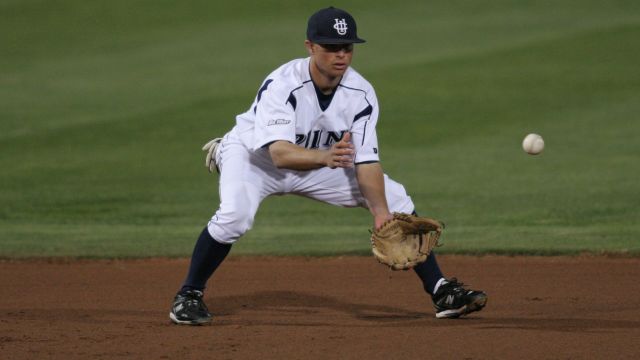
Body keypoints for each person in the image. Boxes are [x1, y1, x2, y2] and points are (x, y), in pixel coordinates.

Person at [169, 7, 487, 325]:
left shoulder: (361, 93)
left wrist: (380, 213)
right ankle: (188, 295)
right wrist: (324, 158)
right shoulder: (282, 84)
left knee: (395, 200)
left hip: (321, 160)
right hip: (257, 159)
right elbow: (280, 154)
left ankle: (442, 291)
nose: (341, 56)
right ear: (310, 47)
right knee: (235, 217)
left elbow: (367, 161)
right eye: (331, 47)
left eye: (347, 47)